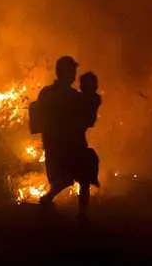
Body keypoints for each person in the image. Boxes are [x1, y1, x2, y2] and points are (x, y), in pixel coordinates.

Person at [29, 56, 100, 218]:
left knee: (69, 180)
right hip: (68, 145)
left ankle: (51, 202)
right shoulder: (71, 96)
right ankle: (80, 215)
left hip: (58, 145)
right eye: (72, 71)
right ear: (65, 73)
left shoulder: (47, 93)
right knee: (78, 179)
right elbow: (86, 121)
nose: (74, 75)